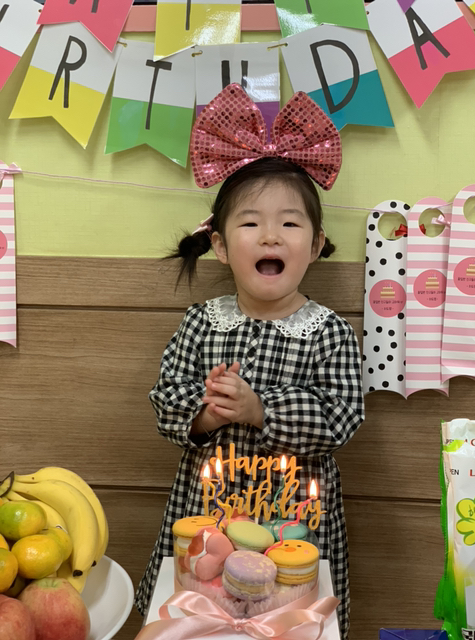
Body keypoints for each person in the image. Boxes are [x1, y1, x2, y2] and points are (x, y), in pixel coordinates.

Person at [134, 84, 365, 639]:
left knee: (291, 622)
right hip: (207, 516)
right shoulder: (202, 322)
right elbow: (165, 402)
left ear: (316, 245)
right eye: (250, 222)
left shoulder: (329, 332)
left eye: (290, 223)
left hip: (296, 525)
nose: (270, 235)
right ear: (219, 244)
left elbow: (342, 417)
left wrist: (261, 409)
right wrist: (205, 413)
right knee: (199, 621)